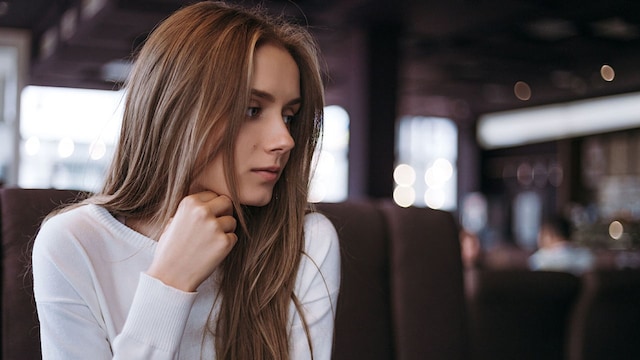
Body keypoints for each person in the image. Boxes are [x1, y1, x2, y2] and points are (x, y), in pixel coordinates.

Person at [31, 2, 341, 359]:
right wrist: (170, 282)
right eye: (252, 110)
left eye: (289, 116)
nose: (284, 140)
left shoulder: (306, 241)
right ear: (178, 112)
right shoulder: (72, 244)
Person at [528, 216, 594, 275]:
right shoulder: (585, 256)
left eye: (542, 235)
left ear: (549, 236)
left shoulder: (538, 259)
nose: (539, 239)